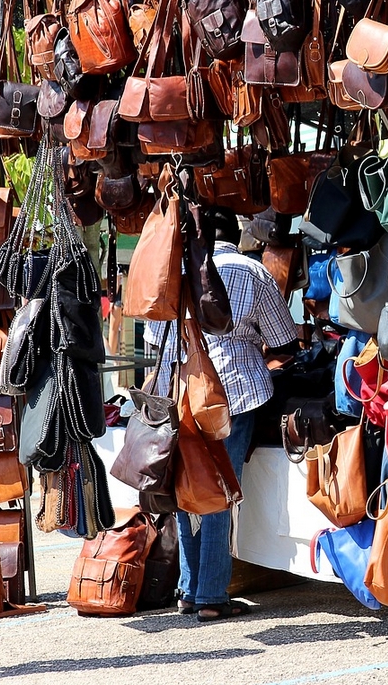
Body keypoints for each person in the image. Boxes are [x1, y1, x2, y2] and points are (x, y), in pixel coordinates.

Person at [144, 207, 298, 622]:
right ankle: (211, 595)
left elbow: (152, 336)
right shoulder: (251, 271)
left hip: (178, 397)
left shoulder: (169, 273)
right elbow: (284, 339)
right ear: (237, 231)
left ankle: (189, 589)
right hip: (235, 394)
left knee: (187, 486)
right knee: (219, 492)